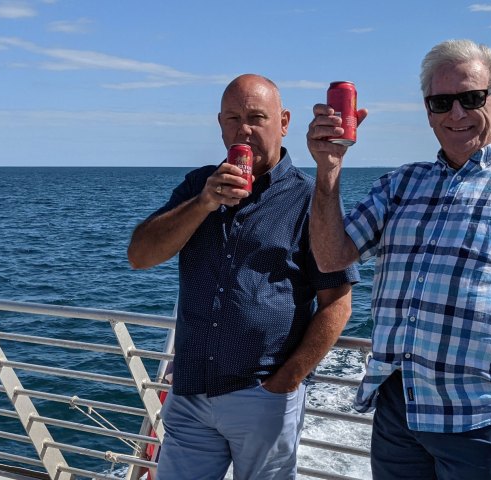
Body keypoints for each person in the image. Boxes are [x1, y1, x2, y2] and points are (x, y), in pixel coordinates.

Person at [306, 39, 491, 479]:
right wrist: (328, 169)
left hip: (483, 424)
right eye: (441, 102)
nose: (456, 114)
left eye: (471, 98)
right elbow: (332, 256)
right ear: (428, 111)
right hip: (398, 412)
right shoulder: (400, 184)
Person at [128, 73, 359, 480]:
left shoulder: (309, 199)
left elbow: (337, 302)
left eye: (256, 117)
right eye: (233, 118)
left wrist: (287, 381)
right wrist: (203, 203)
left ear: (283, 122)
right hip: (191, 389)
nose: (244, 129)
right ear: (220, 124)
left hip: (262, 392)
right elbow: (140, 256)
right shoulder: (199, 184)